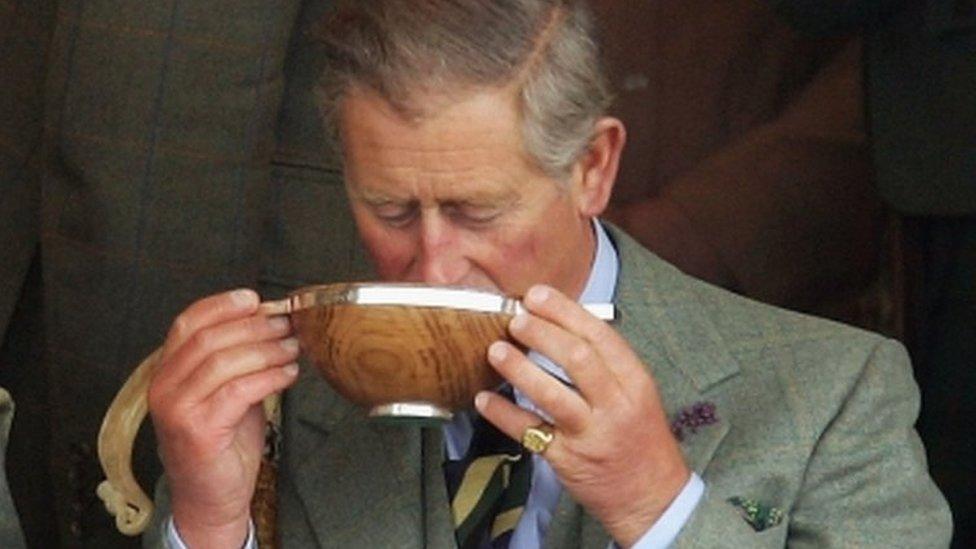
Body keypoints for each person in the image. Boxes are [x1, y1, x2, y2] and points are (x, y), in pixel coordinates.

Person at [144, 1, 952, 547]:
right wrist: (212, 522)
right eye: (390, 211)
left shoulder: (840, 391)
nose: (434, 263)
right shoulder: (277, 404)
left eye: (477, 211)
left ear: (592, 168)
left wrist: (658, 508)